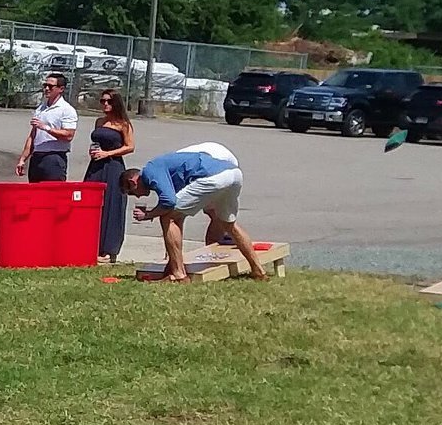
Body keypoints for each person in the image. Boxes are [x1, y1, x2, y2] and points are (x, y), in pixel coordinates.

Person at [121, 141, 268, 281]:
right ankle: (258, 270)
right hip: (234, 174)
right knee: (229, 225)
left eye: (133, 193)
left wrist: (149, 214)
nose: (138, 196)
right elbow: (173, 204)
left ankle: (178, 275)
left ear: (133, 182)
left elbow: (169, 202)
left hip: (212, 177)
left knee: (168, 218)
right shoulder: (171, 168)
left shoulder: (150, 171)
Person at [83, 86, 136, 261]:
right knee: (91, 202)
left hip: (113, 166)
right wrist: (94, 151)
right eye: (103, 101)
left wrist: (108, 153)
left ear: (116, 103)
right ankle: (90, 244)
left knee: (112, 203)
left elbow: (130, 147)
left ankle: (109, 248)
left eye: (109, 101)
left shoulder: (123, 124)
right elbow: (97, 140)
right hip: (96, 165)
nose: (105, 104)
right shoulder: (99, 121)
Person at [17, 71, 78, 181]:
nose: (46, 89)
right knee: (35, 194)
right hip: (37, 157)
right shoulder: (41, 108)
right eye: (45, 85)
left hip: (54, 158)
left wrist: (46, 127)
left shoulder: (67, 110)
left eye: (50, 86)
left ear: (61, 89)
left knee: (53, 194)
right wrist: (23, 159)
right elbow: (33, 136)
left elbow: (69, 135)